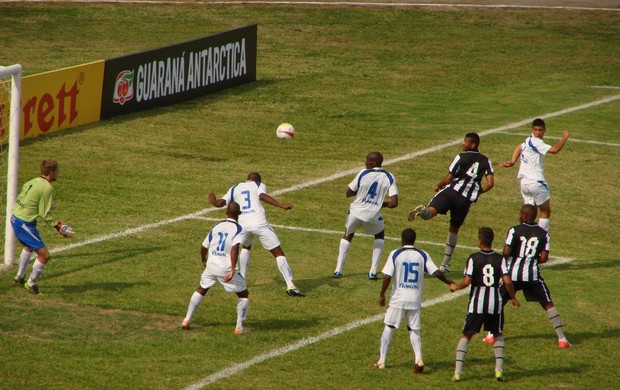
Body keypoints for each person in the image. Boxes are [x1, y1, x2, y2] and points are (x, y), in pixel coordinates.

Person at [482, 204, 571, 348]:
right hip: (532, 276)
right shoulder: (544, 234)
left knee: (498, 303)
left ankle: (491, 335)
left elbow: (506, 251)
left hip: (512, 276)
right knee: (548, 304)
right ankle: (562, 339)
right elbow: (543, 258)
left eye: (520, 214)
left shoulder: (514, 230)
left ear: (524, 216)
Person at [407, 133, 494, 273]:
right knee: (454, 229)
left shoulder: (460, 156)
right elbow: (490, 183)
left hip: (451, 192)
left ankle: (422, 211)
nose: (462, 144)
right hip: (465, 200)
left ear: (472, 144)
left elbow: (448, 178)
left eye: (465, 142)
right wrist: (477, 192)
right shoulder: (486, 160)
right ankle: (445, 264)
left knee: (430, 213)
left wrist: (438, 185)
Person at [208, 172, 304, 297]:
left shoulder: (235, 187)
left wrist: (213, 200)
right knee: (278, 253)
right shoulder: (258, 185)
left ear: (246, 179)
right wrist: (281, 205)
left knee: (246, 247)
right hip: (259, 224)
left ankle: (242, 281)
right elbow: (262, 195)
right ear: (258, 180)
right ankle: (291, 286)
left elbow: (220, 203)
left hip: (242, 225)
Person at [375, 228, 455, 373]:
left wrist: (382, 294)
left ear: (402, 240)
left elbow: (387, 276)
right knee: (414, 329)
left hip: (398, 299)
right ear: (414, 240)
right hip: (415, 299)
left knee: (389, 326)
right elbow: (436, 272)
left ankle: (382, 360)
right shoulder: (422, 255)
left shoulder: (395, 254)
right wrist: (449, 282)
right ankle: (418, 358)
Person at [449, 227, 520, 382]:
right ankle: (499, 371)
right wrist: (513, 298)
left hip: (477, 304)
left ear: (479, 240)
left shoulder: (473, 258)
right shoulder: (500, 259)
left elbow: (467, 281)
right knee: (498, 334)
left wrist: (456, 287)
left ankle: (458, 372)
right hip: (495, 304)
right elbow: (507, 281)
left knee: (466, 335)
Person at [181, 201, 251, 334]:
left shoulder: (217, 226)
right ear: (239, 214)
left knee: (202, 288)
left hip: (211, 265)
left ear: (226, 212)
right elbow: (235, 248)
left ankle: (186, 319)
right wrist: (231, 270)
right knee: (243, 294)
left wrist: (203, 259)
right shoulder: (240, 229)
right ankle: (239, 328)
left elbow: (203, 247)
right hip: (225, 268)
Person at [11, 159, 73, 295]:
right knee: (44, 255)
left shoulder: (32, 181)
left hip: (15, 218)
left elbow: (28, 201)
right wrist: (58, 227)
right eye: (57, 171)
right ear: (51, 172)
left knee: (28, 246)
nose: (58, 174)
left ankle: (20, 276)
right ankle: (31, 283)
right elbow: (44, 214)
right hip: (24, 223)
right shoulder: (47, 187)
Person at [333, 151, 398, 280]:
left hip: (355, 212)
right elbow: (394, 203)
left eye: (367, 160)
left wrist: (362, 193)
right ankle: (373, 272)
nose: (365, 163)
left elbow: (349, 193)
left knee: (348, 235)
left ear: (373, 163)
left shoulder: (363, 173)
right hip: (372, 216)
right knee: (379, 235)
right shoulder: (389, 176)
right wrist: (380, 204)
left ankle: (338, 270)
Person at [500, 118, 570, 231]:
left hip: (524, 184)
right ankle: (541, 238)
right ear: (532, 129)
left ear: (544, 130)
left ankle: (524, 234)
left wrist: (513, 161)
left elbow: (519, 147)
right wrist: (565, 137)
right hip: (536, 183)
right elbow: (554, 150)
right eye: (536, 130)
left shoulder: (529, 139)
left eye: (540, 130)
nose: (538, 133)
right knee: (545, 211)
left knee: (530, 214)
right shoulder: (537, 141)